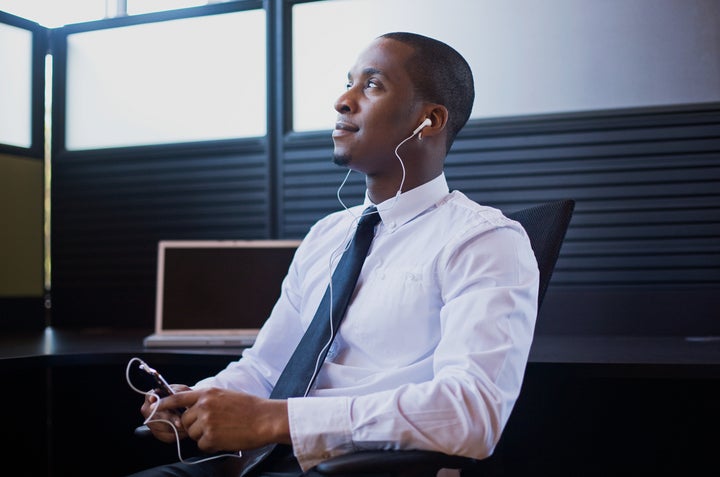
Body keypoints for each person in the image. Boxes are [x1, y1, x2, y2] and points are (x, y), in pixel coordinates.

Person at [129, 31, 539, 477]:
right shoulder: (326, 235)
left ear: (430, 120)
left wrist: (274, 419)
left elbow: (471, 414)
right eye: (348, 82)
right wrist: (202, 400)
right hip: (256, 460)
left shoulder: (484, 241)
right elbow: (267, 368)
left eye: (372, 85)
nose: (343, 100)